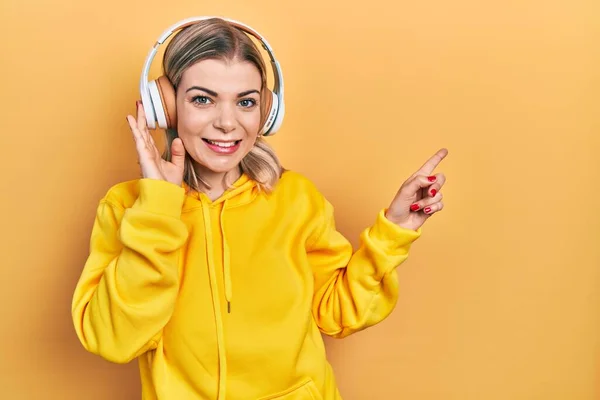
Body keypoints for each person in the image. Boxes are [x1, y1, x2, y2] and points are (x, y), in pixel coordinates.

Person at [71, 16, 448, 400]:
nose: (226, 123)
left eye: (245, 102)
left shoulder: (296, 199)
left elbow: (340, 312)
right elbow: (113, 340)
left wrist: (394, 231)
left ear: (266, 111)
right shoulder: (128, 208)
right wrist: (159, 208)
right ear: (166, 108)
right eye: (202, 99)